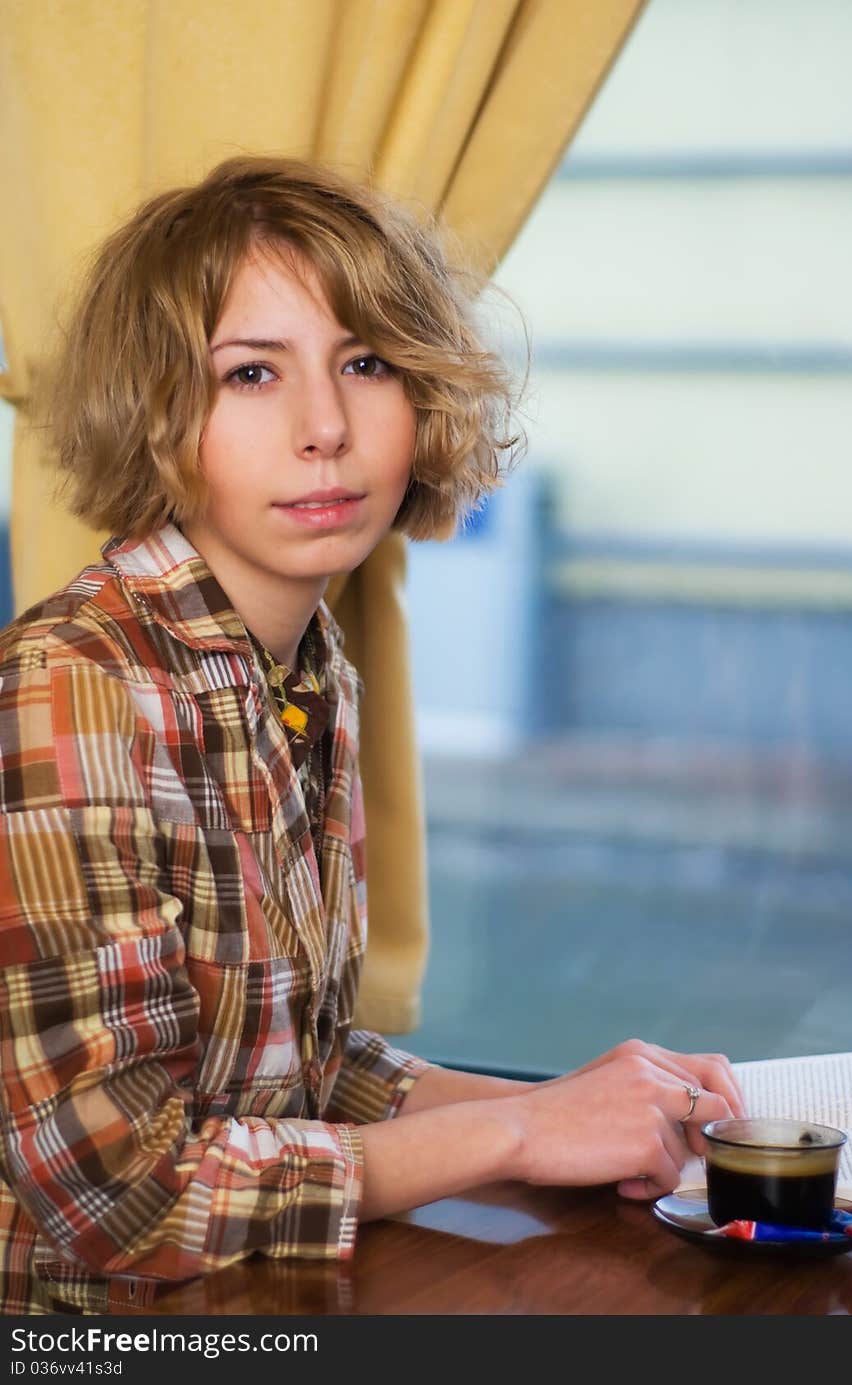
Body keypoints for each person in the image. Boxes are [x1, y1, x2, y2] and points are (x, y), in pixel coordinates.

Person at [0, 156, 744, 1315]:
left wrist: (583, 1100)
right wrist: (521, 1126)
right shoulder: (73, 684)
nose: (326, 428)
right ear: (153, 410)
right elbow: (125, 1193)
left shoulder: (306, 666)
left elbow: (306, 1065)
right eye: (251, 372)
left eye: (367, 362)